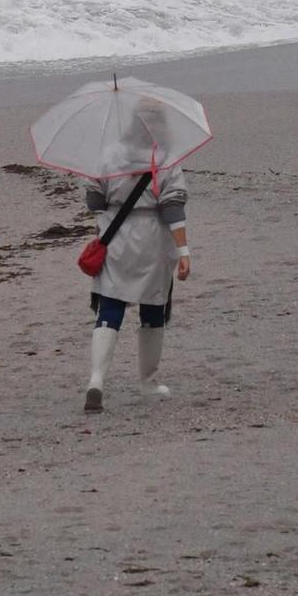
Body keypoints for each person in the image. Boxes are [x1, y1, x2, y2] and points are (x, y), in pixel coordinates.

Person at [82, 116, 190, 413]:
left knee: (111, 305)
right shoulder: (167, 158)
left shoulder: (108, 154)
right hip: (153, 241)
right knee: (153, 308)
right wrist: (184, 251)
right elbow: (173, 208)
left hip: (115, 239)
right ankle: (148, 383)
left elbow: (93, 201)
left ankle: (97, 379)